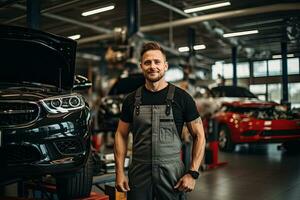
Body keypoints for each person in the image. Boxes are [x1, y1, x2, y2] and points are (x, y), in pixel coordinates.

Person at [114, 42, 206, 200]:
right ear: (141, 66)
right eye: (147, 62)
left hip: (172, 174)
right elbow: (121, 134)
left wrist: (192, 173)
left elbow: (200, 135)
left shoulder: (182, 98)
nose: (152, 66)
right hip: (139, 172)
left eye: (157, 62)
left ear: (165, 66)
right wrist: (120, 172)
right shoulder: (130, 101)